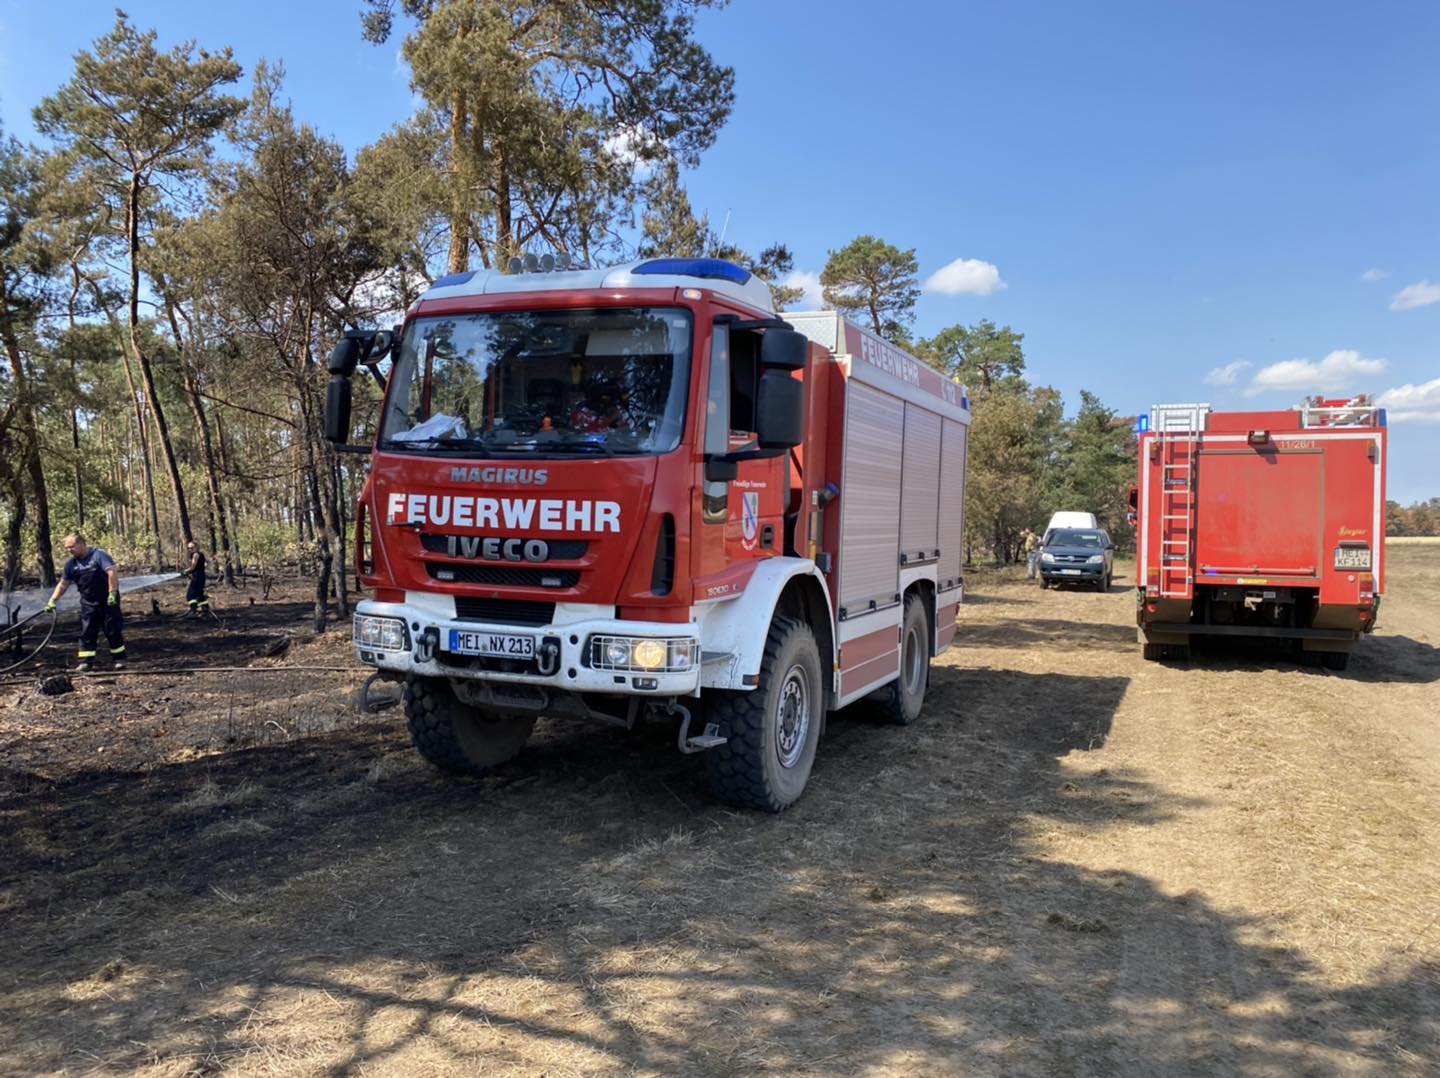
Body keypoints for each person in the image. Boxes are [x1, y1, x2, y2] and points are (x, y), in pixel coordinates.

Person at [44, 532, 126, 672]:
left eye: (72, 547)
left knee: (112, 629)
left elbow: (111, 572)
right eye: (67, 548)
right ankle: (86, 662)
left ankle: (119, 660)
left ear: (82, 544)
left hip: (107, 601)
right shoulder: (71, 564)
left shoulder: (99, 555)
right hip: (88, 603)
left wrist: (112, 593)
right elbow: (63, 584)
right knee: (87, 631)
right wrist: (53, 600)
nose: (69, 550)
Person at [183, 540, 210, 617]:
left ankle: (193, 611)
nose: (190, 550)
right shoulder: (201, 554)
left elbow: (193, 567)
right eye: (188, 548)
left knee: (190, 595)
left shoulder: (195, 555)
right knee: (199, 594)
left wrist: (186, 571)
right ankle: (205, 610)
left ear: (196, 547)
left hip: (197, 577)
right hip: (201, 576)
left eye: (192, 548)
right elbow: (206, 563)